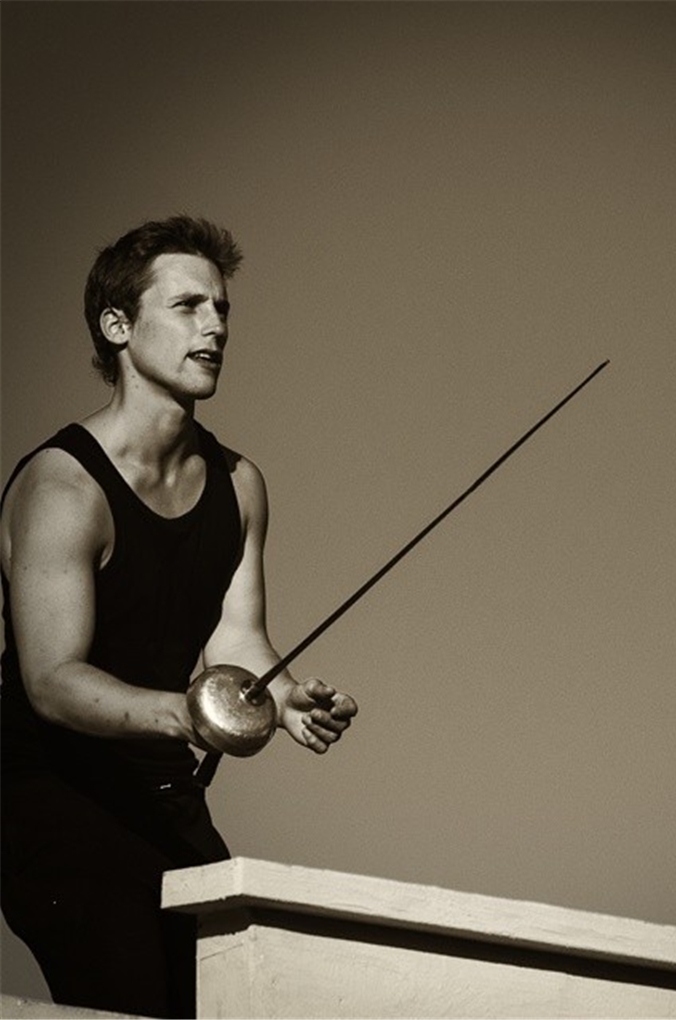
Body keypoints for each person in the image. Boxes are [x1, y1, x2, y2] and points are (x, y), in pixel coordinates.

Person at [0, 216, 359, 1017]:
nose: (215, 327)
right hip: (53, 796)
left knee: (226, 984)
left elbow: (237, 640)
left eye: (221, 308)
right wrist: (189, 714)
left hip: (161, 790)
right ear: (117, 326)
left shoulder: (240, 485)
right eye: (189, 306)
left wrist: (283, 696)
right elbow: (51, 681)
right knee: (132, 989)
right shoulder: (63, 487)